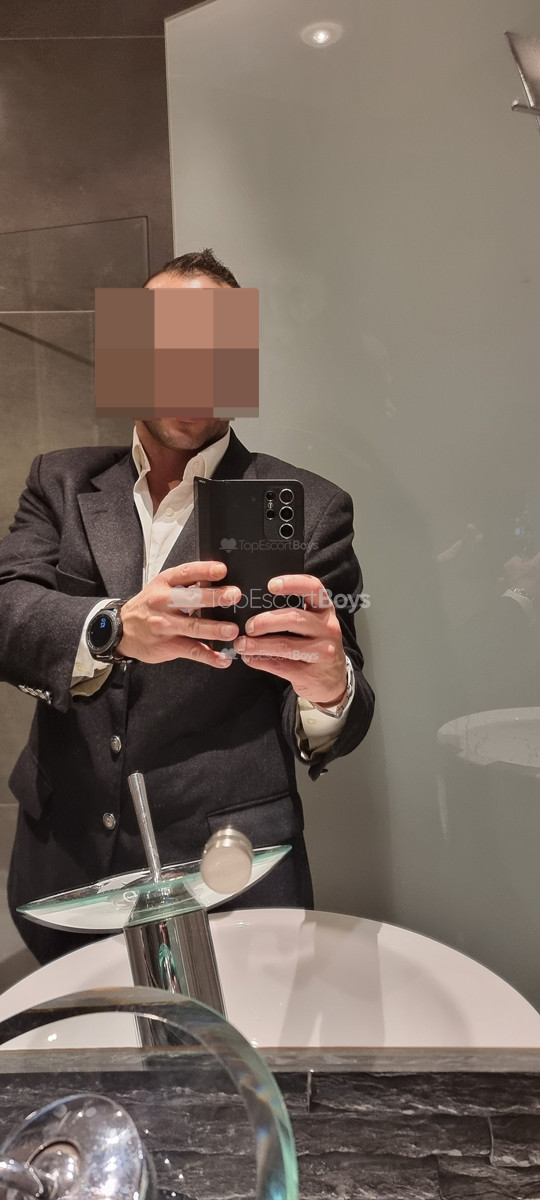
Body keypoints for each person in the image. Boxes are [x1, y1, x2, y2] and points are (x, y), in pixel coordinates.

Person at [0, 248, 375, 964]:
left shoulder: (310, 507)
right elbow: (7, 611)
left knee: (236, 1034)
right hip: (68, 863)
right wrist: (111, 628)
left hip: (232, 871)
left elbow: (340, 712)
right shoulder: (60, 481)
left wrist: (329, 687)